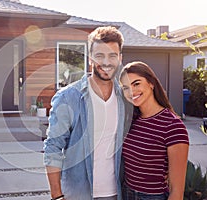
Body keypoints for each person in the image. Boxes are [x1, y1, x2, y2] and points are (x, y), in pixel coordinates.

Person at [43, 26, 132, 200]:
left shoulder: (125, 98)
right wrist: (57, 196)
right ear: (90, 58)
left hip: (117, 193)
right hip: (78, 194)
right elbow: (53, 147)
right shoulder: (68, 98)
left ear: (120, 58)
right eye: (99, 55)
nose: (106, 62)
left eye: (112, 55)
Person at [119, 61, 189, 200]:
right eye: (126, 87)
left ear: (151, 83)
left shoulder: (173, 126)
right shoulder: (130, 120)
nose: (131, 92)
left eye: (136, 84)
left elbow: (177, 191)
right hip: (126, 193)